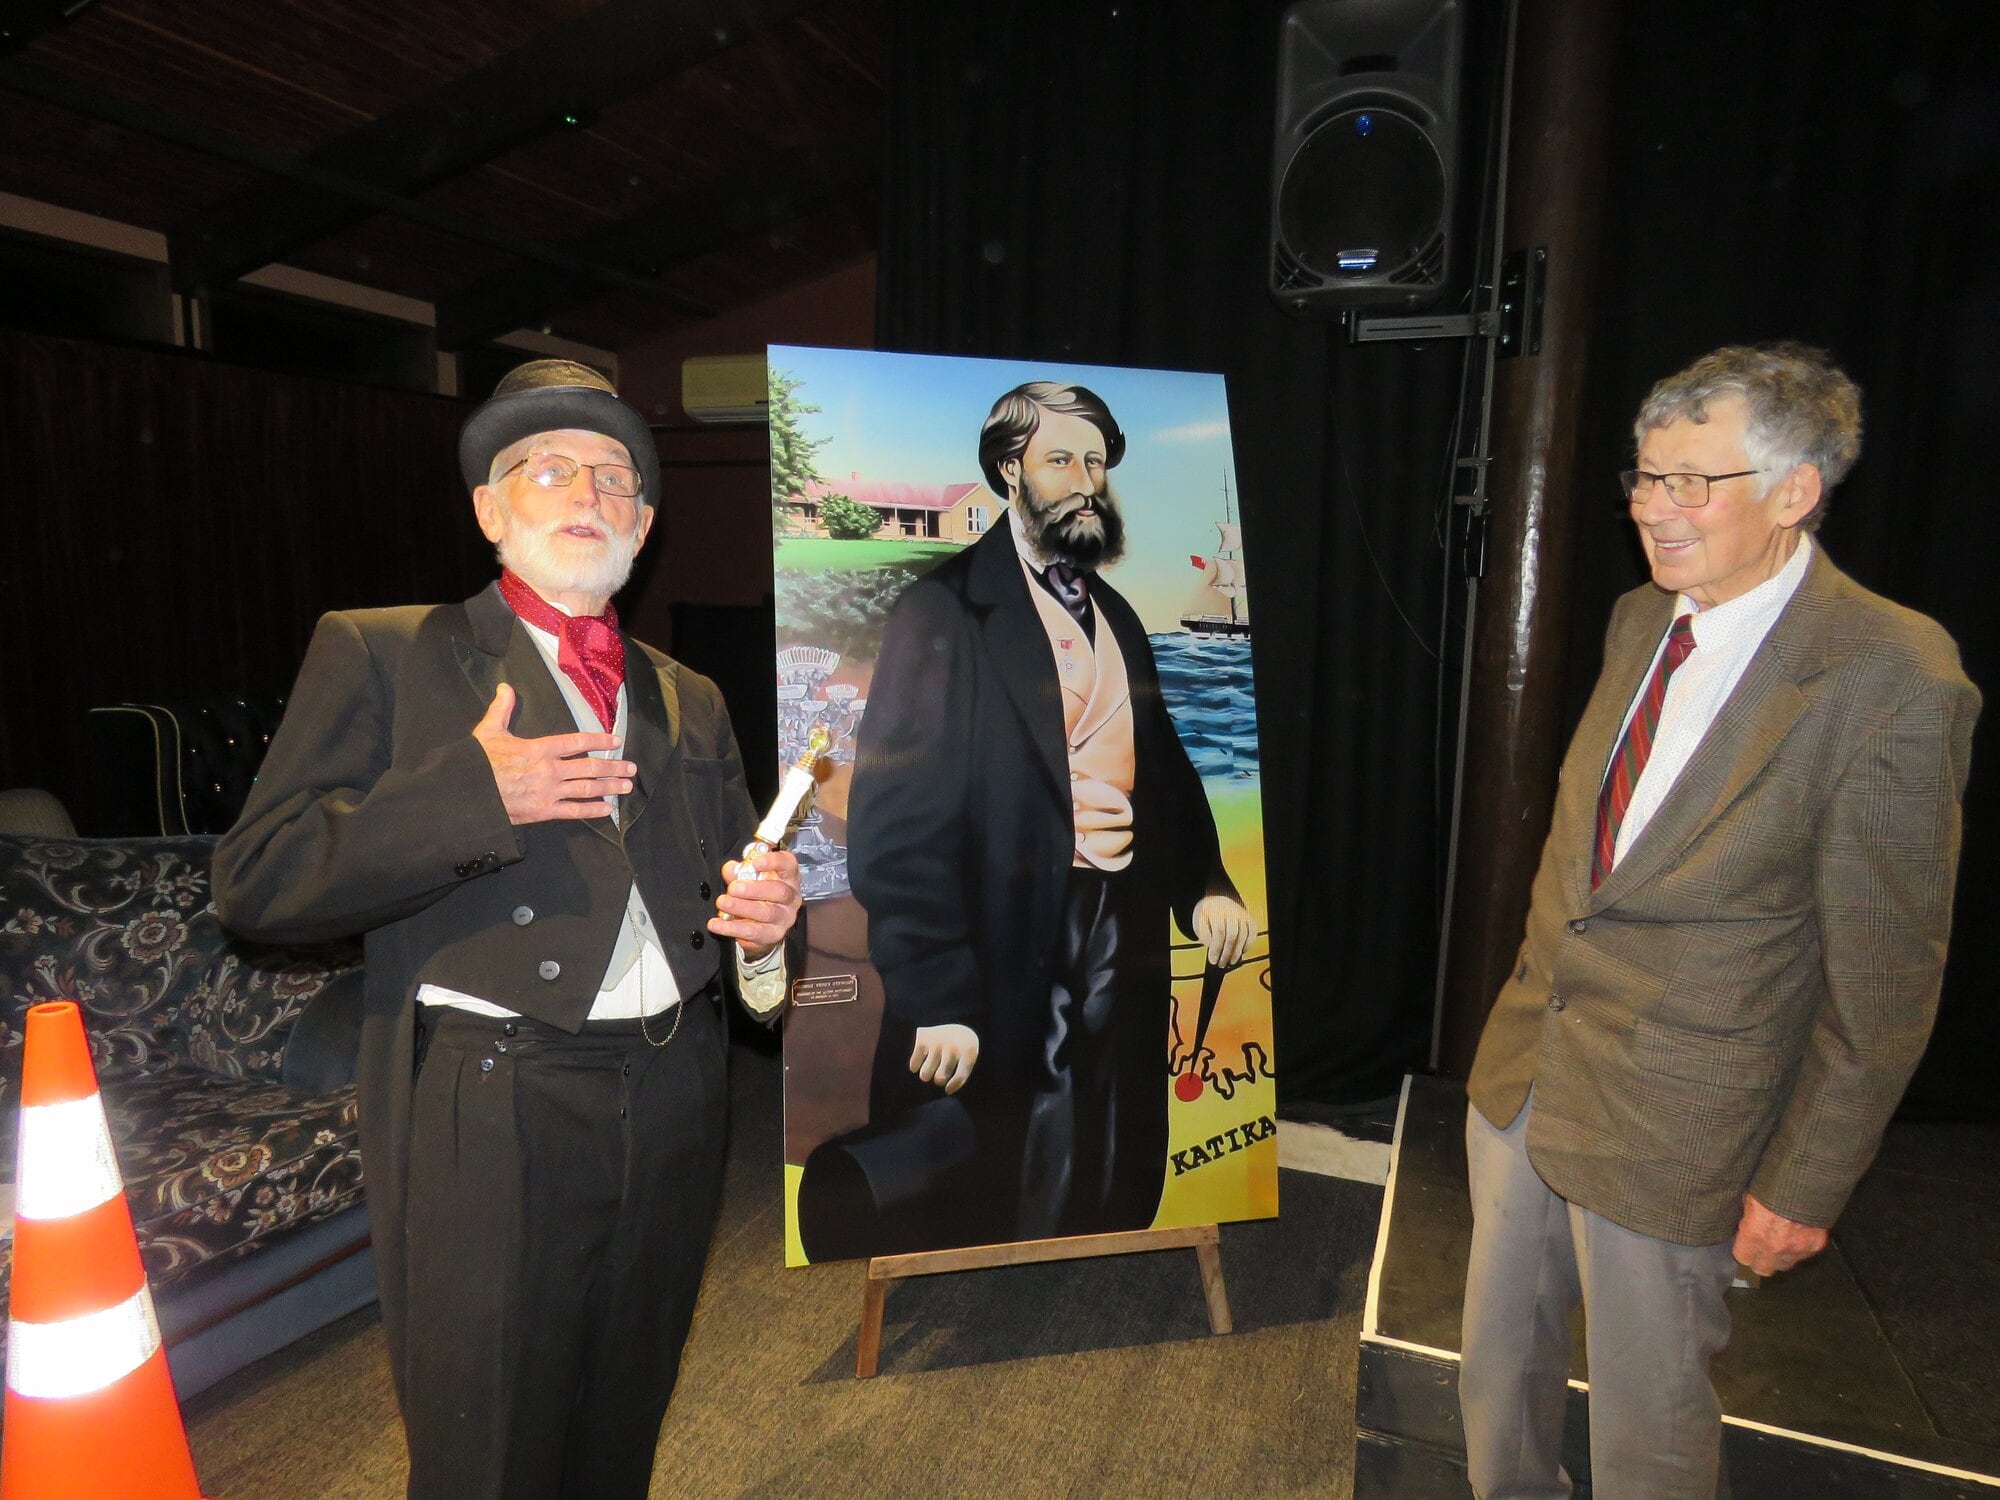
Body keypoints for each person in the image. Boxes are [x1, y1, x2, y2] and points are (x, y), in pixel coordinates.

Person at [213, 359, 803, 1500]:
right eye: (548, 467)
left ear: (643, 522)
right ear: (489, 509)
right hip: (495, 1095)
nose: (588, 490)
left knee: (624, 1402)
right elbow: (259, 881)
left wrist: (768, 937)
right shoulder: (385, 648)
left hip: (678, 1087)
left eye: (617, 478)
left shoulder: (692, 692)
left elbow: (734, 901)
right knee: (488, 1431)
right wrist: (477, 794)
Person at [1458, 343, 1979, 1499]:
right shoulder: (1639, 618)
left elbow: (1885, 976)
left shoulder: (1888, 674)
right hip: (1528, 1073)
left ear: (1796, 492)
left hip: (1680, 1125)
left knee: (1646, 1435)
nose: (1655, 509)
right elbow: (1587, 858)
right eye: (1646, 479)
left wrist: (1803, 1183)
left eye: (1693, 481)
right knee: (1498, 1379)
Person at [845, 380, 1254, 1246]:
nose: (1085, 480)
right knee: (1007, 1152)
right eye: (1062, 458)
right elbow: (897, 826)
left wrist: (1206, 886)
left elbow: (1170, 778)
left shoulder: (1118, 616)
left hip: (1119, 920)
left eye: (1096, 463)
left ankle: (1099, 1263)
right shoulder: (942, 611)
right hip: (999, 930)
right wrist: (935, 993)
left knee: (1108, 1129)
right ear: (1009, 469)